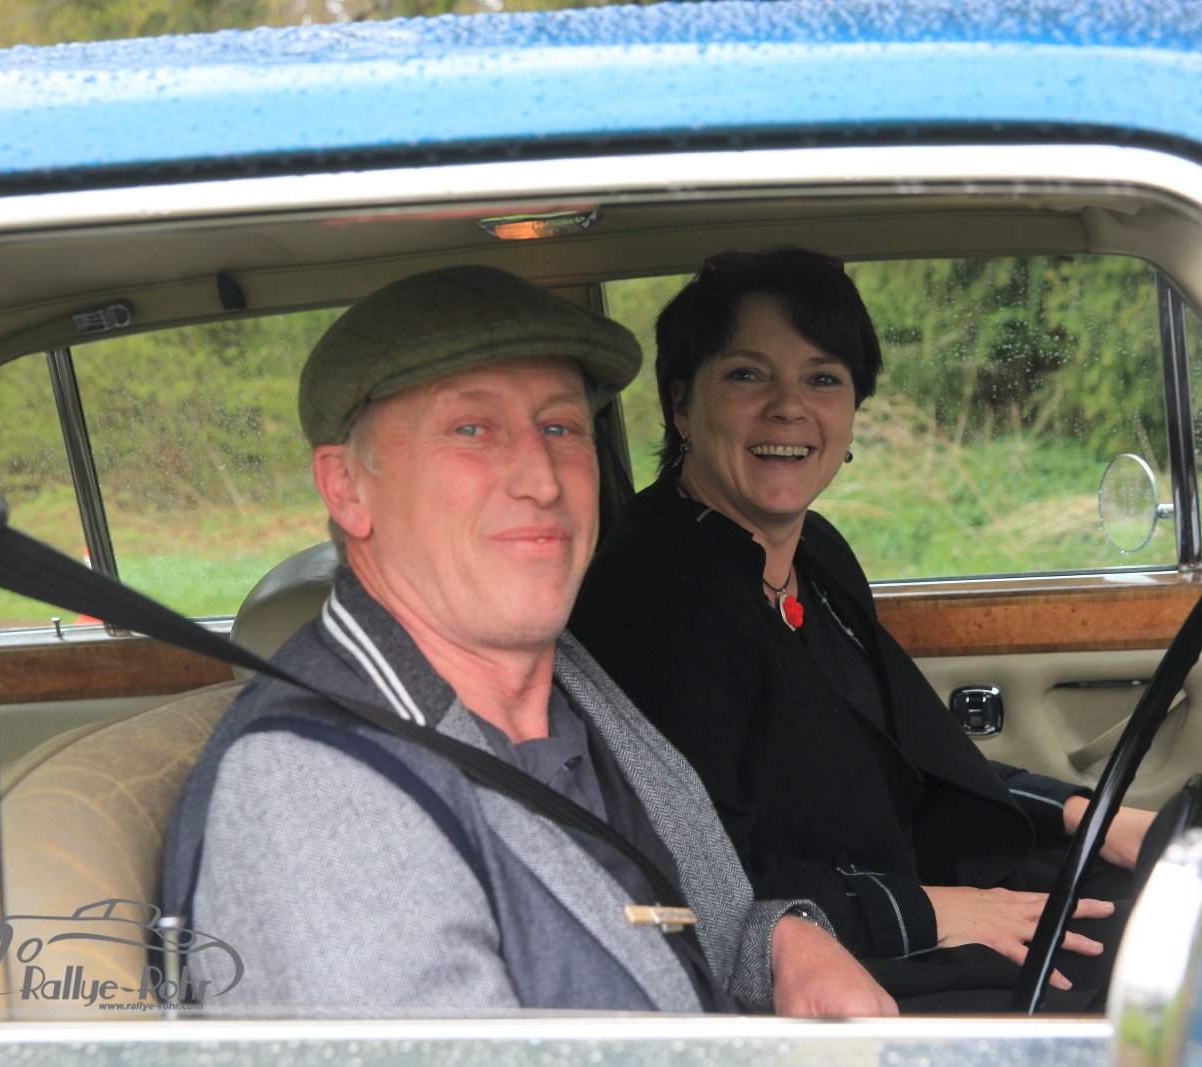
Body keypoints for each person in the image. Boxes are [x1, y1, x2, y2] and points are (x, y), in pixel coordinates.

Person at [163, 264, 895, 1016]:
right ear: (347, 487)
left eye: (559, 428)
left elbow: (692, 923)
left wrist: (783, 943)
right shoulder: (314, 804)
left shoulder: (565, 680)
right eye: (472, 429)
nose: (541, 480)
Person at [569, 249, 1155, 1011]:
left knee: (1164, 896)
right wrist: (931, 911)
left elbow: (909, 759)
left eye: (823, 379)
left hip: (903, 892)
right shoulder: (653, 596)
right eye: (747, 374)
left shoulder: (815, 552)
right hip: (813, 959)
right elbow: (704, 881)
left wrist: (1088, 817)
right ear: (683, 405)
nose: (789, 407)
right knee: (1135, 982)